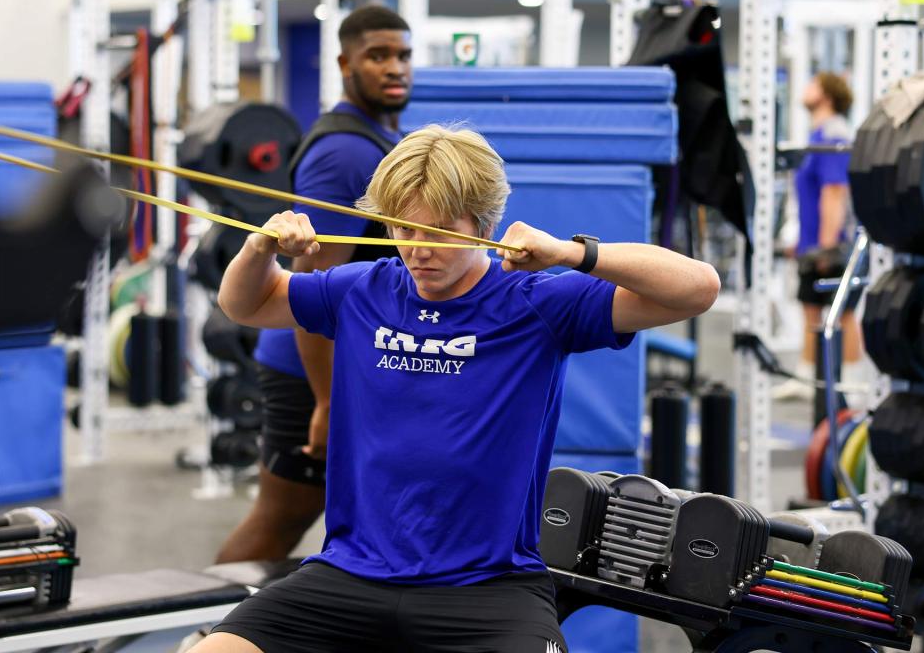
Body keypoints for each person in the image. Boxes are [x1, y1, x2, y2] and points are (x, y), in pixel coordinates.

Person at [195, 124, 720, 652]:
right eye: (405, 230)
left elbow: (698, 289)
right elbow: (245, 304)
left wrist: (571, 253)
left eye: (440, 232)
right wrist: (259, 248)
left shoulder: (535, 302)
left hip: (489, 590)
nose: (418, 251)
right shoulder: (364, 289)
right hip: (351, 576)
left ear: (484, 225)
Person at [216, 5, 413, 563]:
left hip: (342, 363)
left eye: (403, 55)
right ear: (345, 64)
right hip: (307, 368)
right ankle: (212, 616)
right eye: (378, 56)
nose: (395, 68)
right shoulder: (344, 153)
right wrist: (327, 401)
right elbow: (313, 290)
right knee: (279, 520)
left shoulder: (378, 139)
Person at [794, 71, 861, 367]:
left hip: (832, 243)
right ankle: (808, 377)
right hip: (812, 242)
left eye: (813, 83)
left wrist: (826, 246)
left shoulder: (834, 134)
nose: (806, 87)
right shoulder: (817, 135)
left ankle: (852, 382)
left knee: (842, 314)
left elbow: (835, 191)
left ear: (826, 95)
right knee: (810, 308)